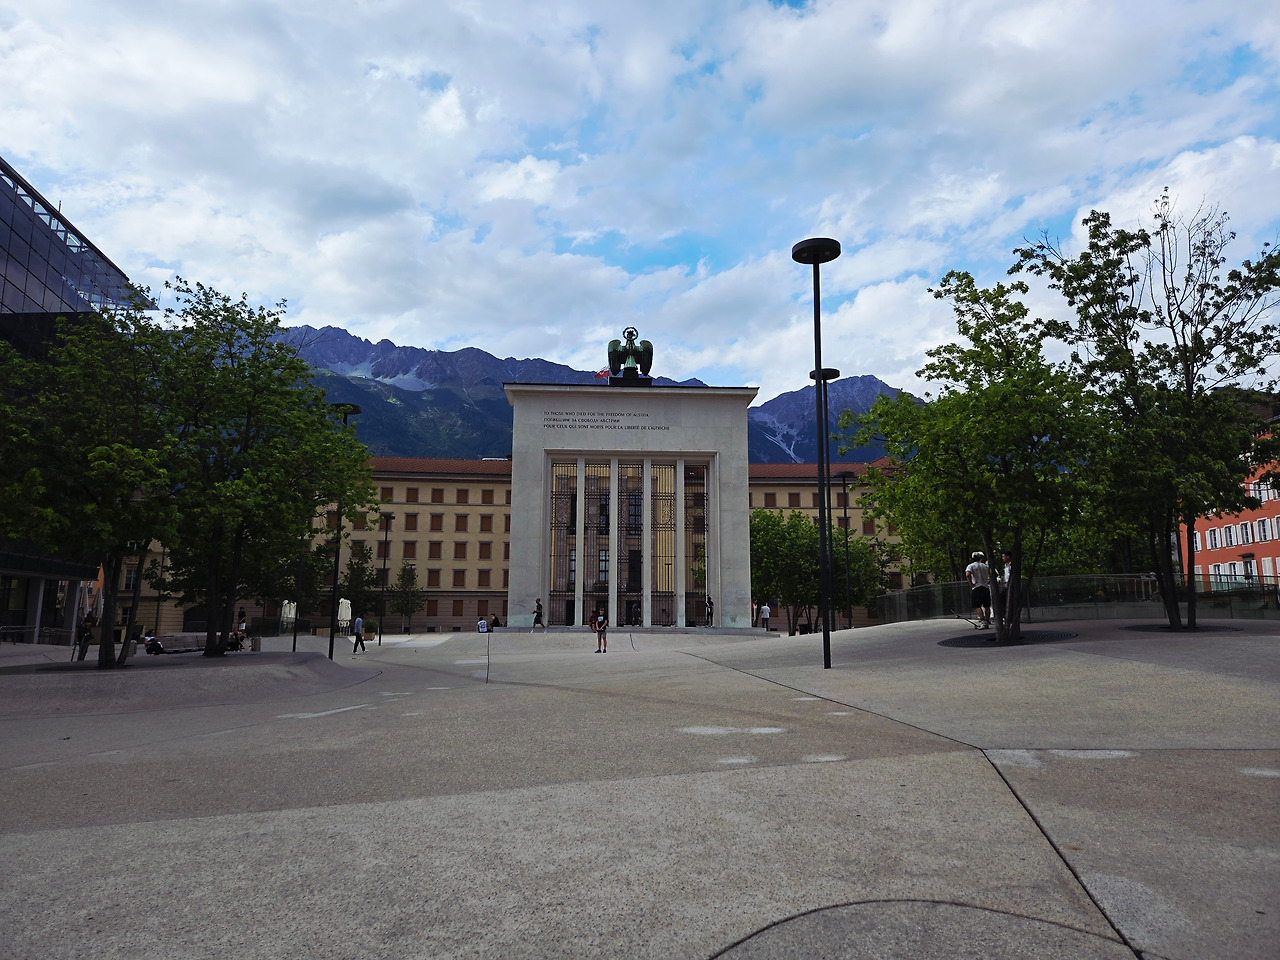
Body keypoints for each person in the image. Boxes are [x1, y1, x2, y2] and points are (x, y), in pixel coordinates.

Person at [965, 552, 993, 629]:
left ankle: (983, 621)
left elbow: (967, 574)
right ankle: (987, 621)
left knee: (977, 606)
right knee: (987, 606)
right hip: (985, 587)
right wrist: (988, 581)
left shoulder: (971, 566)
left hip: (977, 587)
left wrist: (971, 583)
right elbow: (991, 573)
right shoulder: (985, 566)